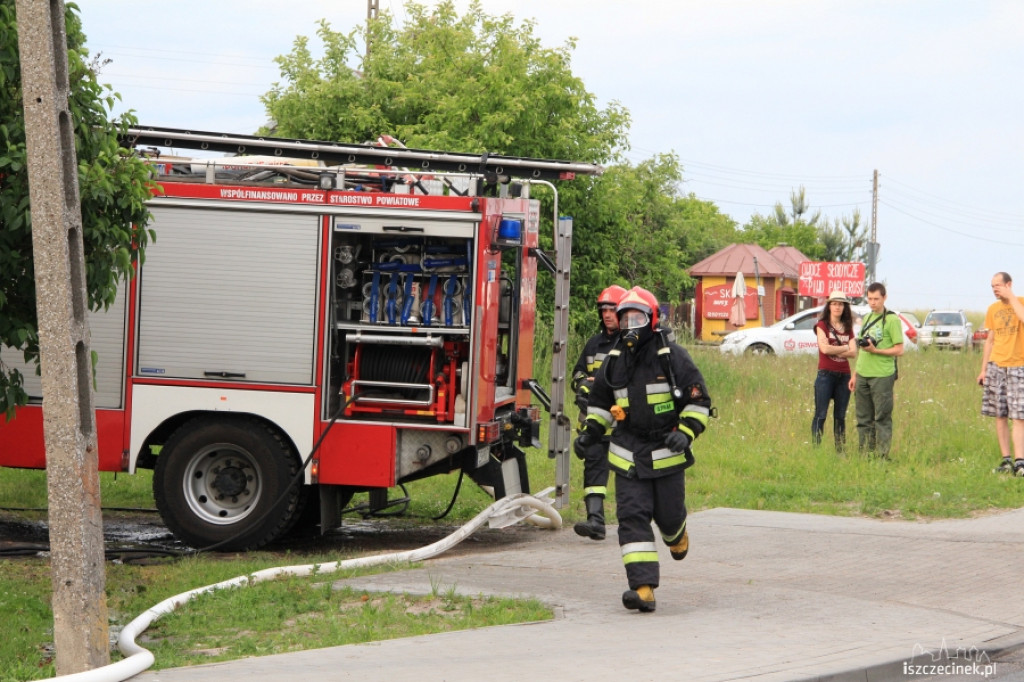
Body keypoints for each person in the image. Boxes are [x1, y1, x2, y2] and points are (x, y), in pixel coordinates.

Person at [576, 286, 712, 612]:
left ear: (652, 320)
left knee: (669, 517)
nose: (630, 326)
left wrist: (686, 432)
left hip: (666, 452)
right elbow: (601, 403)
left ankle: (676, 535)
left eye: (637, 318)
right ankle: (643, 588)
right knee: (631, 517)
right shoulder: (614, 361)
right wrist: (590, 432)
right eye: (625, 319)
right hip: (628, 454)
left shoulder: (672, 356)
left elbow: (698, 399)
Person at [570, 284, 627, 540]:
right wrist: (583, 385)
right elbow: (578, 374)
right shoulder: (594, 344)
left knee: (628, 473)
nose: (607, 315)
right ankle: (595, 521)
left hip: (622, 425)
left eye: (611, 310)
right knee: (593, 467)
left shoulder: (630, 344)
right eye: (603, 310)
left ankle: (633, 521)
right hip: (593, 423)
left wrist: (604, 386)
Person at [848, 282, 903, 458]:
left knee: (882, 418)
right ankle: (865, 454)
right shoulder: (867, 318)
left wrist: (876, 350)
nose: (872, 302)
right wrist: (855, 374)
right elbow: (862, 349)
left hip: (882, 374)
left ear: (884, 298)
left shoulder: (892, 320)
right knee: (863, 418)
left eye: (876, 299)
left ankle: (882, 456)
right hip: (863, 373)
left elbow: (899, 349)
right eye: (870, 299)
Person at [977, 272, 1024, 475]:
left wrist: (1010, 297)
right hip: (997, 365)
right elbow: (990, 340)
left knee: (1019, 415)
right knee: (1000, 414)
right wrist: (984, 369)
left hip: (1018, 364)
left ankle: (1020, 462)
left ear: (1008, 284)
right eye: (992, 286)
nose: (995, 289)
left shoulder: (1020, 302)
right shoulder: (993, 309)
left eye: (998, 285)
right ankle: (1006, 460)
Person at [812, 291, 857, 450]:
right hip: (826, 374)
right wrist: (845, 347)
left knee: (840, 416)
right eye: (834, 304)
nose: (837, 307)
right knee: (821, 414)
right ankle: (816, 449)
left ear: (845, 307)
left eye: (840, 304)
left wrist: (836, 349)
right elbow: (824, 349)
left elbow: (854, 352)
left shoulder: (848, 327)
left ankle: (840, 450)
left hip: (844, 375)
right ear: (829, 306)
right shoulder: (822, 325)